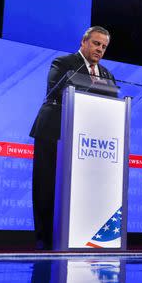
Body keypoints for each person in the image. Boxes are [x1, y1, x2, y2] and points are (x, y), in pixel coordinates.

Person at [29, 26, 115, 250]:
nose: (100, 49)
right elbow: (56, 90)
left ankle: (75, 236)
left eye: (104, 47)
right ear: (84, 42)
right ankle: (44, 240)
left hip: (86, 136)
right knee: (46, 186)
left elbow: (113, 98)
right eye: (96, 43)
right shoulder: (63, 63)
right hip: (54, 131)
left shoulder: (106, 73)